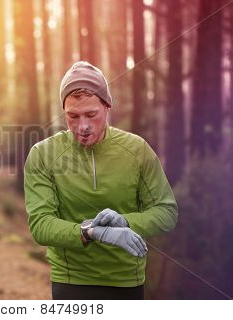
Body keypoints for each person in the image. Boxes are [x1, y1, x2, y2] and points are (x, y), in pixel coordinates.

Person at [23, 61, 178, 300]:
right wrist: (92, 232)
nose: (82, 126)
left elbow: (167, 212)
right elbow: (41, 225)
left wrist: (125, 222)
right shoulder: (43, 154)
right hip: (70, 280)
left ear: (107, 107)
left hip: (127, 282)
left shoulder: (137, 150)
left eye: (91, 115)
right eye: (72, 116)